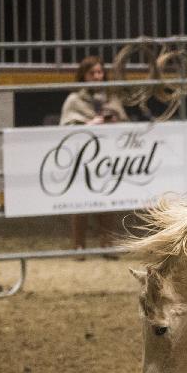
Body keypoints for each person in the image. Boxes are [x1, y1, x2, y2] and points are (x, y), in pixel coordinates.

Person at [59, 55, 128, 254]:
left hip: (109, 158)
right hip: (83, 158)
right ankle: (79, 245)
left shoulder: (111, 98)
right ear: (83, 76)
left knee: (108, 199)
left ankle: (107, 243)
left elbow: (125, 123)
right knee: (80, 200)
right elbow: (65, 128)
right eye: (92, 73)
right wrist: (90, 125)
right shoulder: (74, 100)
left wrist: (114, 122)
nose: (97, 77)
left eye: (100, 72)